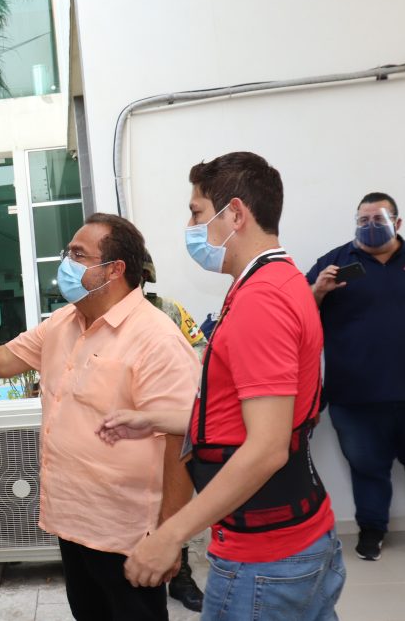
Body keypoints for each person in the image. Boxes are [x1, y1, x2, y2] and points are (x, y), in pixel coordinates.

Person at [0, 214, 199, 620]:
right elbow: (3, 356)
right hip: (72, 523)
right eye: (68, 252)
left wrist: (170, 536)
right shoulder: (66, 321)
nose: (65, 262)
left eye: (79, 255)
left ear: (115, 269)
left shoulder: (157, 339)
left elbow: (182, 441)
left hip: (128, 535)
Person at [101, 152, 345, 620]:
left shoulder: (262, 301)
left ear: (235, 213)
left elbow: (267, 448)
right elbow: (246, 416)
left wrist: (169, 536)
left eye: (196, 212)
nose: (192, 226)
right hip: (295, 540)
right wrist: (156, 418)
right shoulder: (278, 281)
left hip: (266, 561)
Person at [306, 192, 405, 562]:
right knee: (367, 467)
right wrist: (318, 291)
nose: (369, 228)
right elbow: (300, 314)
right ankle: (371, 530)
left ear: (397, 224)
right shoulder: (335, 263)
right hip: (356, 395)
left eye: (378, 221)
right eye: (362, 221)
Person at [141, 253, 206, 612]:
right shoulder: (98, 316)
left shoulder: (168, 311)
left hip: (167, 424)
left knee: (175, 501)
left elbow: (201, 351)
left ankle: (180, 576)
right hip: (126, 433)